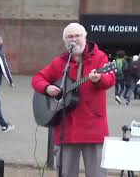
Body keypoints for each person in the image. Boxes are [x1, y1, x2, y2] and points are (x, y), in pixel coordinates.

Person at [31, 23, 115, 177]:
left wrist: (99, 79)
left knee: (97, 173)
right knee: (66, 173)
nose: (74, 39)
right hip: (67, 129)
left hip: (93, 128)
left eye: (77, 36)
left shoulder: (100, 57)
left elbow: (110, 79)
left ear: (85, 37)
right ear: (65, 41)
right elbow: (37, 79)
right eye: (70, 37)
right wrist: (47, 88)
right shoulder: (60, 62)